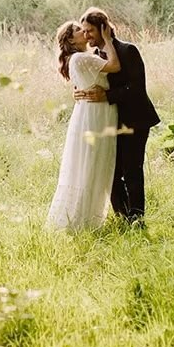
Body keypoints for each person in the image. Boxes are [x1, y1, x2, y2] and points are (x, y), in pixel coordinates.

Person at [75, 7, 159, 224]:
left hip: (134, 119)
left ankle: (137, 218)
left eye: (90, 31)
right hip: (107, 121)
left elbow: (137, 88)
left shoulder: (128, 50)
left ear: (103, 28)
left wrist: (106, 95)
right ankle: (122, 216)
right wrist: (80, 91)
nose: (86, 36)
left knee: (131, 169)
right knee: (110, 170)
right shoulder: (94, 57)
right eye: (83, 31)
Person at [46, 19, 121, 230]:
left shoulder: (82, 58)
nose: (85, 32)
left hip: (92, 111)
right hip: (95, 113)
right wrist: (107, 40)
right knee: (92, 163)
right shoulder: (80, 58)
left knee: (91, 162)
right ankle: (83, 219)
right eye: (79, 30)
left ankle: (87, 216)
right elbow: (115, 66)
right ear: (71, 39)